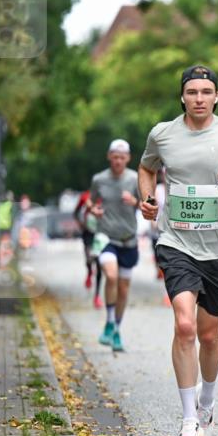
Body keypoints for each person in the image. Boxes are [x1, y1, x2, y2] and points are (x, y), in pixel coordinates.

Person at [138, 65, 218, 436]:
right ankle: (189, 421)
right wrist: (147, 199)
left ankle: (208, 402)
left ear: (215, 96)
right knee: (185, 326)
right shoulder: (163, 134)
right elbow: (147, 167)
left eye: (206, 92)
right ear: (182, 96)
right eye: (191, 92)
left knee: (211, 335)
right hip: (177, 244)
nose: (198, 98)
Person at [89, 139, 141, 352]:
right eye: (115, 157)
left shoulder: (135, 179)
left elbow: (148, 205)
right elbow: (91, 202)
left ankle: (117, 329)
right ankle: (109, 321)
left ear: (127, 158)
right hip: (105, 238)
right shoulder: (99, 179)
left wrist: (135, 202)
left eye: (122, 157)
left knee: (123, 287)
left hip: (129, 239)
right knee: (111, 276)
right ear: (109, 156)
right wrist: (94, 210)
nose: (118, 161)